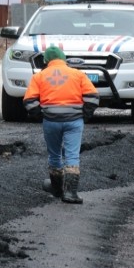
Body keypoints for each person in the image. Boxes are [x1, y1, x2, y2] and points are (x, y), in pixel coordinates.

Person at [23, 47, 99, 204]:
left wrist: (41, 116)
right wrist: (84, 115)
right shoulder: (77, 74)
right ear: (64, 59)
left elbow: (29, 100)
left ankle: (57, 189)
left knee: (54, 154)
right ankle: (70, 193)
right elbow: (92, 96)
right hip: (74, 121)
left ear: (46, 61)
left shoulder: (40, 76)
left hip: (51, 121)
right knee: (72, 155)